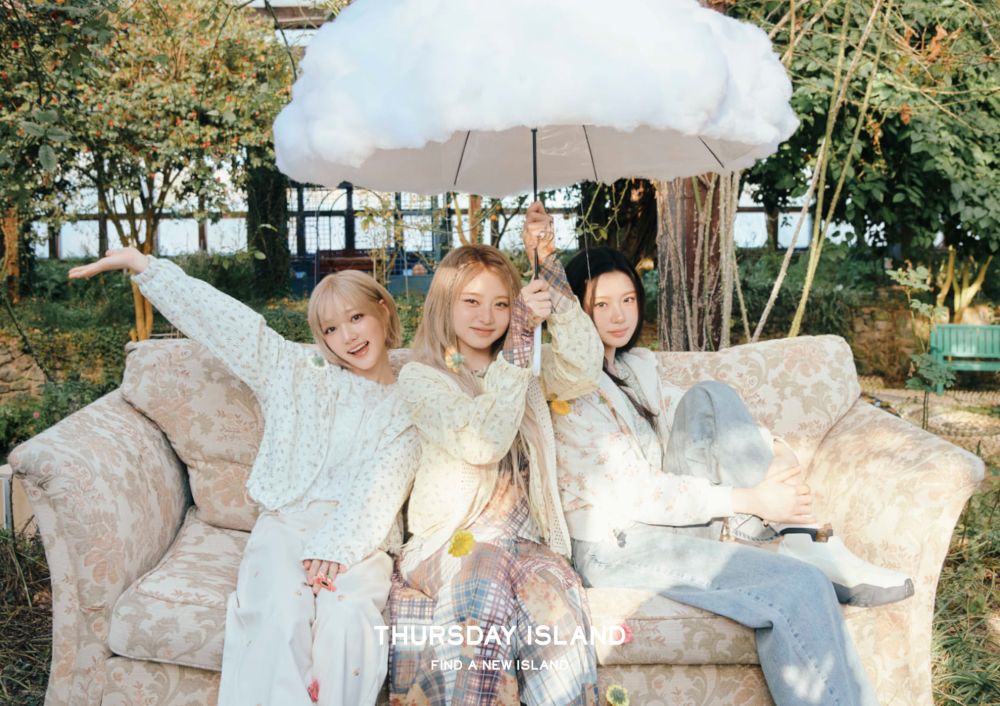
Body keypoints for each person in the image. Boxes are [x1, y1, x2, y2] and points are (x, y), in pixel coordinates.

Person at [551, 246, 915, 706]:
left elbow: (701, 416)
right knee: (801, 586)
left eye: (627, 299)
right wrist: (750, 500)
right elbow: (638, 494)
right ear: (575, 313)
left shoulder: (635, 368)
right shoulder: (568, 389)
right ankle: (797, 541)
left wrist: (773, 447)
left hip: (667, 526)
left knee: (709, 394)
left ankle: (798, 536)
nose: (619, 315)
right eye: (601, 304)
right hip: (616, 547)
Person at [69, 248, 418, 706]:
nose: (347, 336)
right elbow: (227, 324)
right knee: (278, 614)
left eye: (356, 317)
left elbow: (387, 481)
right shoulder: (297, 373)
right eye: (331, 328)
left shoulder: (413, 400)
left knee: (349, 619)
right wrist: (146, 267)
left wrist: (337, 547)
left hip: (363, 538)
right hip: (286, 523)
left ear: (383, 309)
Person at [388, 203, 601, 706]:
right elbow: (482, 442)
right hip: (450, 543)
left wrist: (548, 263)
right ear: (445, 305)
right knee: (482, 565)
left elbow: (584, 368)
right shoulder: (422, 378)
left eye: (503, 304)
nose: (487, 317)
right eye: (471, 302)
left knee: (552, 598)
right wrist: (520, 341)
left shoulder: (527, 373)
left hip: (526, 544)